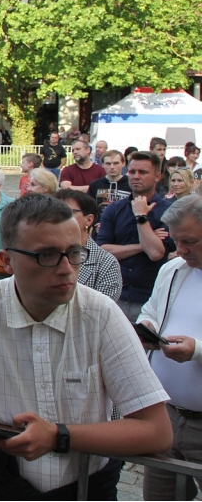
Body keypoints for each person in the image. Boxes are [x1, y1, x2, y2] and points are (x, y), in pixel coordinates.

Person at [0, 194, 173, 500]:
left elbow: (156, 431)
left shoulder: (102, 314)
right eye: (47, 255)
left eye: (74, 253)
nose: (66, 268)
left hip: (82, 492)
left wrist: (59, 436)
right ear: (6, 261)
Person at [136, 194, 202, 499]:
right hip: (166, 416)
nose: (180, 249)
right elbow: (150, 310)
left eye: (189, 241)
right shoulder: (173, 269)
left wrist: (197, 351)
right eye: (176, 240)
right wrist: (147, 327)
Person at [97, 151, 177, 321]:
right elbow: (103, 250)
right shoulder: (114, 209)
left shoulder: (169, 211)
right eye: (132, 172)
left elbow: (155, 253)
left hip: (150, 298)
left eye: (143, 172)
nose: (135, 176)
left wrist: (141, 217)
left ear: (157, 176)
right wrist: (144, 244)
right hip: (117, 295)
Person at [53, 189, 121, 301]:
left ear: (89, 220)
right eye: (54, 212)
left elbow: (102, 310)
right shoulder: (42, 254)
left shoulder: (106, 263)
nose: (57, 217)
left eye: (66, 212)